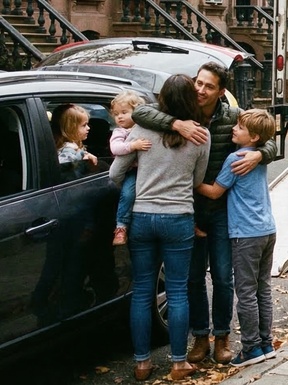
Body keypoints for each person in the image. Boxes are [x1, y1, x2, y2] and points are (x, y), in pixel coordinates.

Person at [133, 62, 279, 364]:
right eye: (198, 83)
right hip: (190, 209)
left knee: (224, 278)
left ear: (221, 91)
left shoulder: (233, 118)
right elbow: (139, 113)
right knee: (194, 278)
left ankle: (222, 335)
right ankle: (200, 337)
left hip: (224, 211)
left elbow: (267, 137)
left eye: (208, 86)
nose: (200, 90)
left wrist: (259, 154)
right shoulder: (183, 111)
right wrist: (177, 124)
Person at [110, 74, 211, 382]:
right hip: (178, 217)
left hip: (141, 217)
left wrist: (137, 185)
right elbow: (196, 180)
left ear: (162, 99)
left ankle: (142, 364)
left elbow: (115, 174)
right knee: (178, 291)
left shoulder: (140, 130)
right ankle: (179, 364)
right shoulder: (201, 135)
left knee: (142, 290)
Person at [195, 109, 279, 367]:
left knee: (246, 292)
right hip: (267, 229)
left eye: (240, 127)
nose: (234, 128)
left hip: (246, 234)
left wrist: (188, 179)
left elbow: (214, 192)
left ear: (253, 137)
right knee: (263, 289)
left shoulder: (236, 157)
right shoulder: (258, 157)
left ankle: (251, 348)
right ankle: (266, 343)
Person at [109, 91, 152, 246]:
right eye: (116, 114)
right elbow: (115, 148)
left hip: (148, 169)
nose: (119, 117)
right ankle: (121, 226)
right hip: (132, 171)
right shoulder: (120, 132)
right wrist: (133, 145)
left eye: (124, 112)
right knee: (127, 194)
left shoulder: (146, 128)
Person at [52, 104, 98, 172]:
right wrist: (81, 161)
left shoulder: (72, 148)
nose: (88, 128)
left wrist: (83, 154)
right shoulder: (67, 152)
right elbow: (67, 171)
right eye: (84, 125)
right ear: (70, 128)